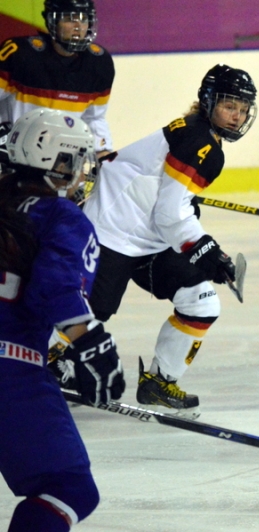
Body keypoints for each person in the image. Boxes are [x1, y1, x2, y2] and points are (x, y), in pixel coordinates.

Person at [76, 64, 257, 417]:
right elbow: (170, 214)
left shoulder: (200, 133)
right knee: (87, 313)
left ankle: (158, 383)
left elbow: (168, 201)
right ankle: (45, 365)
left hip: (149, 239)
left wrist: (190, 212)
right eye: (229, 106)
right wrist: (206, 250)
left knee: (201, 302)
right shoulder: (200, 141)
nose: (236, 116)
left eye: (242, 108)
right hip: (111, 230)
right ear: (209, 102)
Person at [0, 108, 125, 532]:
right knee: (68, 488)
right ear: (59, 162)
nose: (82, 173)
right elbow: (54, 288)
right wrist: (91, 345)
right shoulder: (61, 216)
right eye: (78, 161)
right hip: (10, 370)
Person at [0, 0, 115, 159]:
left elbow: (93, 117)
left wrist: (102, 151)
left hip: (59, 162)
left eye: (83, 19)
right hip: (11, 157)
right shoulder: (19, 54)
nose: (78, 27)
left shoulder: (99, 63)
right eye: (69, 19)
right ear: (52, 21)